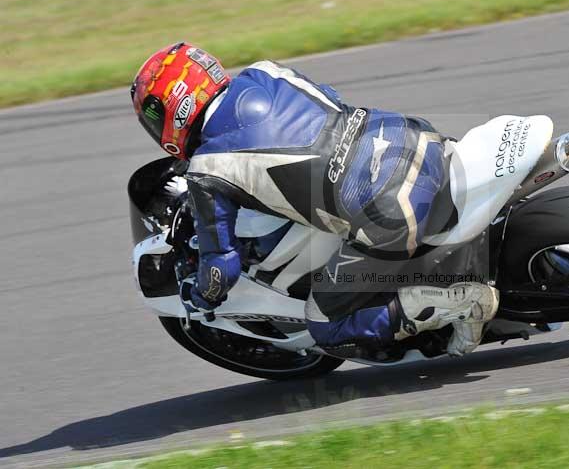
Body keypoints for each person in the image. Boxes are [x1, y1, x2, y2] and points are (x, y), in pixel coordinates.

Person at [130, 42, 498, 356]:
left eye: (152, 114)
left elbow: (222, 265)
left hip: (389, 212)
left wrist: (202, 296)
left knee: (325, 323)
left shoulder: (209, 168)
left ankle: (459, 304)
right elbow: (329, 101)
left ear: (171, 111)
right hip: (415, 139)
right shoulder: (266, 72)